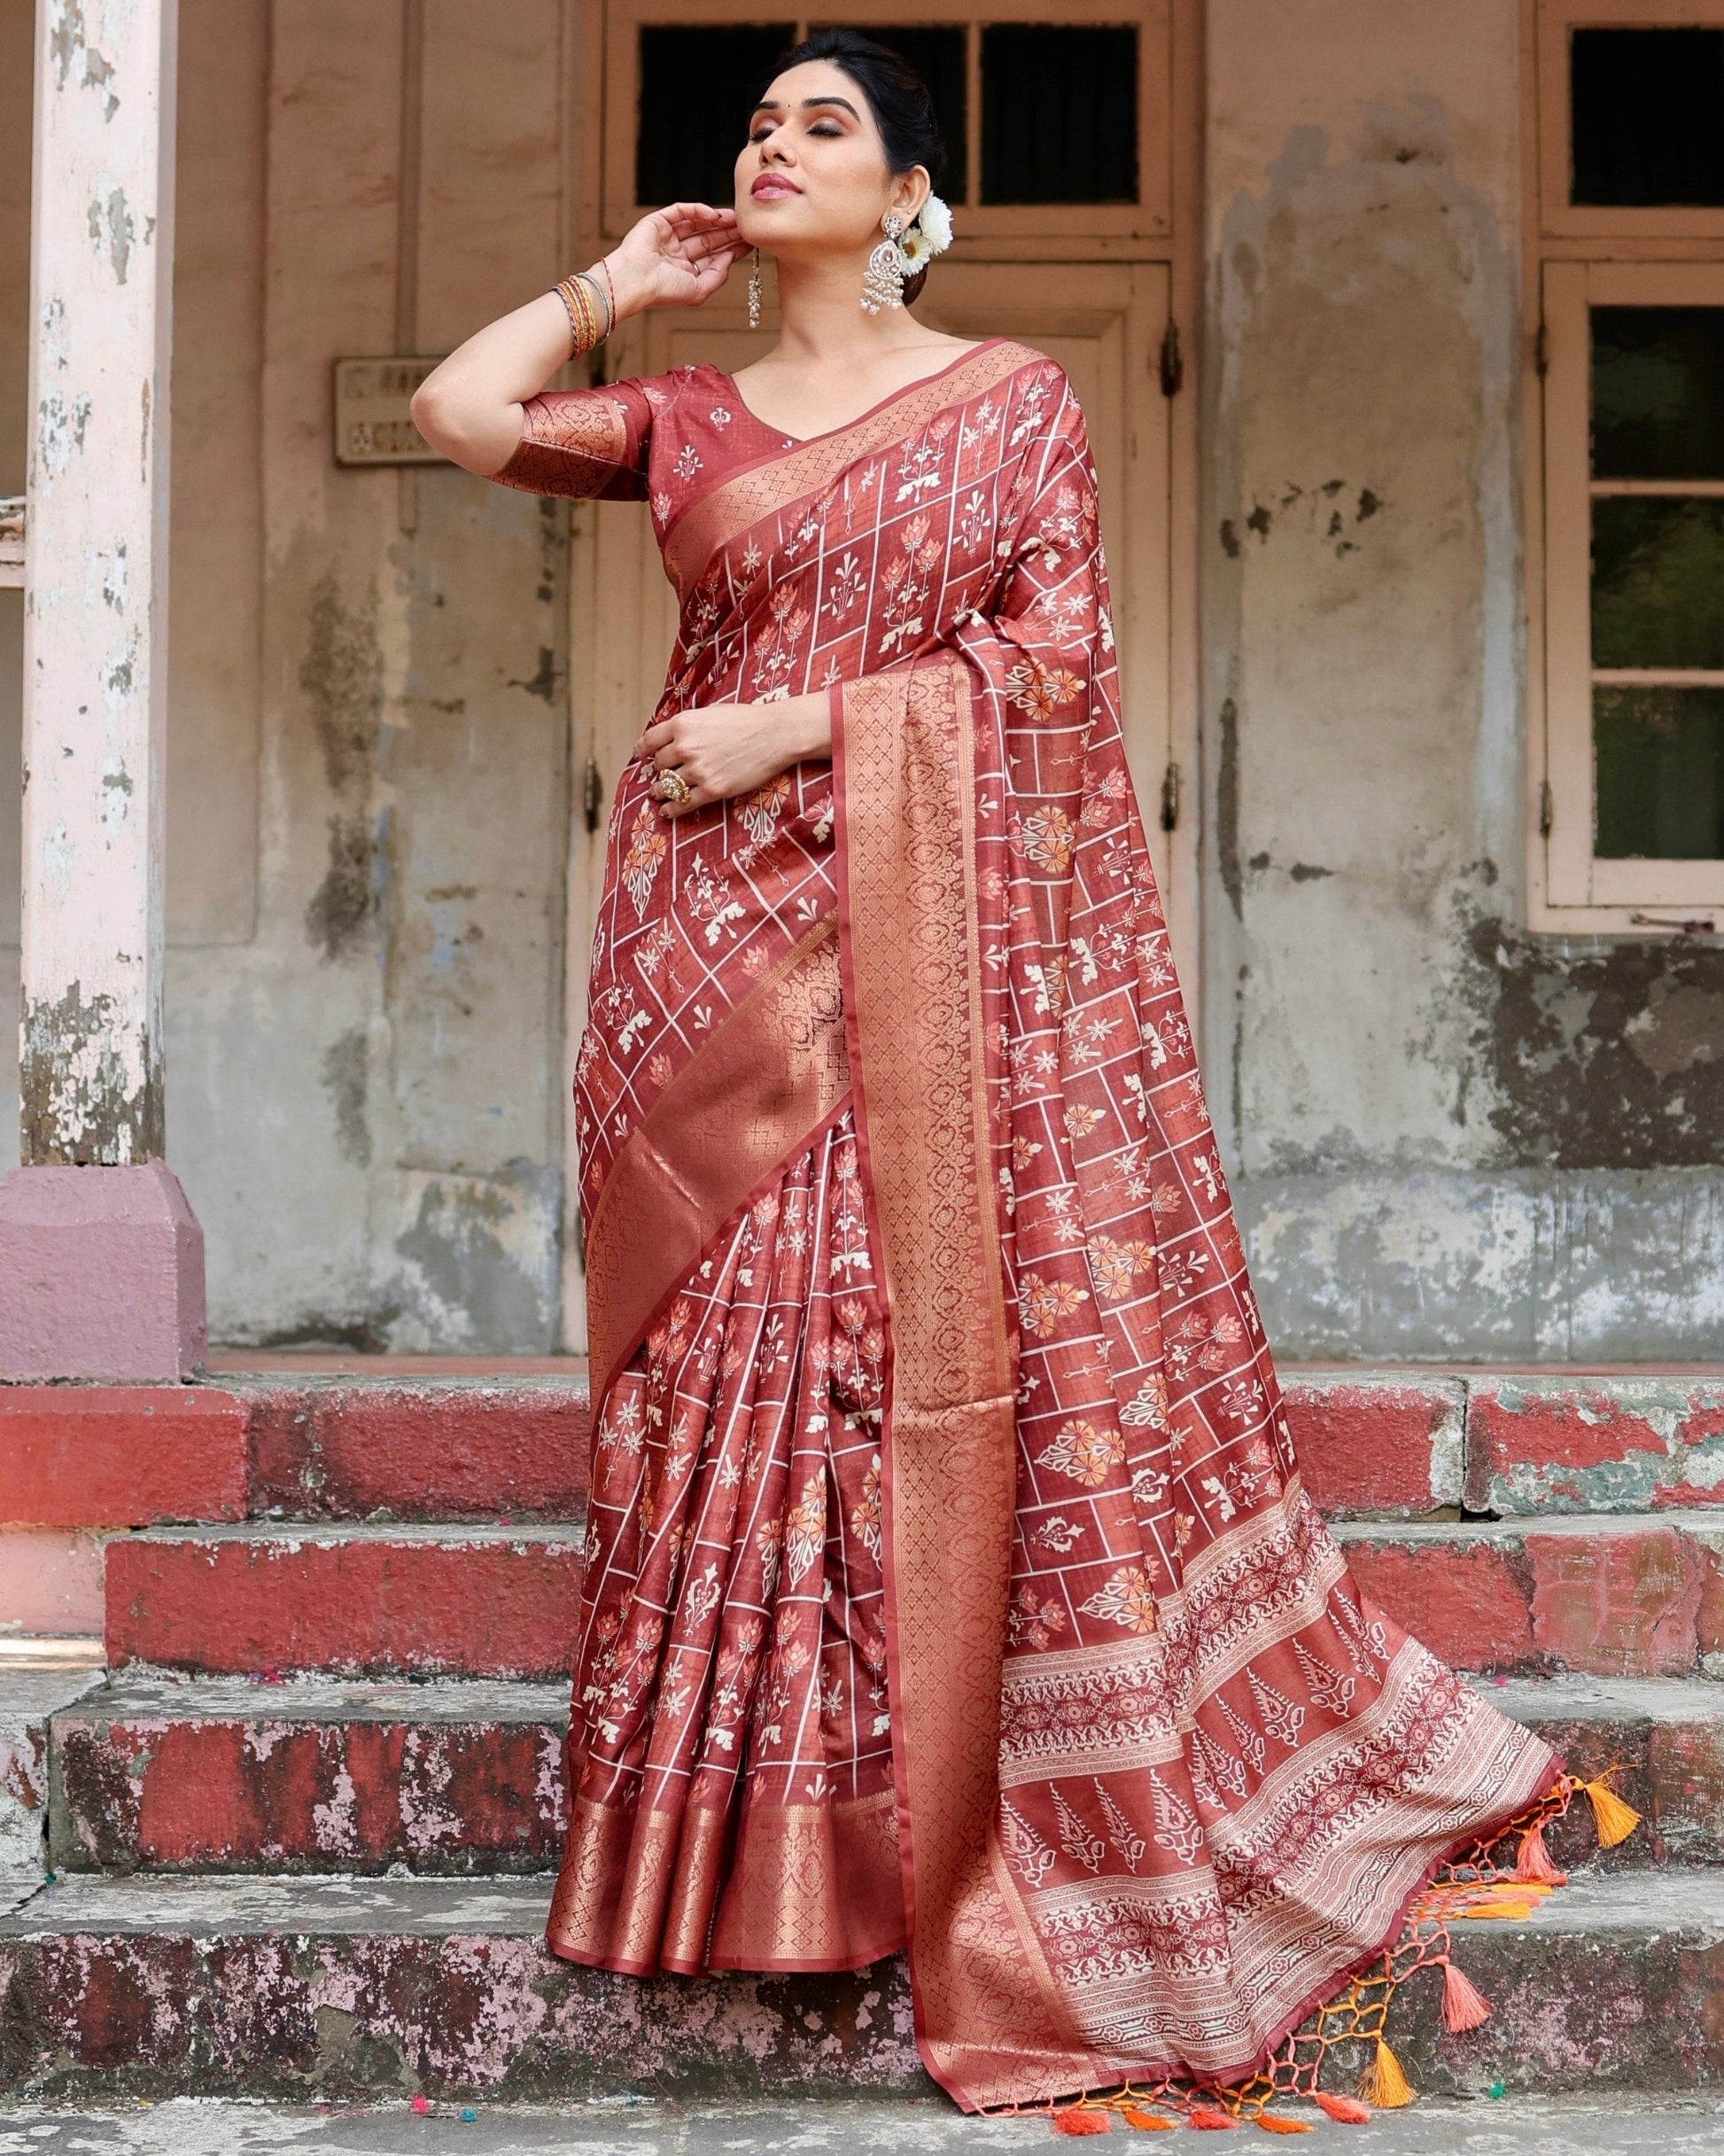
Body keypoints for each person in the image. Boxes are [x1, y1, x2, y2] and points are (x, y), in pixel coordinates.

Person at [411, 29, 1574, 2116]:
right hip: (698, 948)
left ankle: (889, 1849)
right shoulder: (680, 411)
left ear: (914, 193)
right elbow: (455, 413)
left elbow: (1048, 666)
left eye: (823, 124)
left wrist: (799, 728)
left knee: (875, 1353)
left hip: (904, 945)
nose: (772, 143)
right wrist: (613, 278)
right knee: (719, 1367)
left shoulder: (1012, 401)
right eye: (754, 122)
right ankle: (713, 1862)